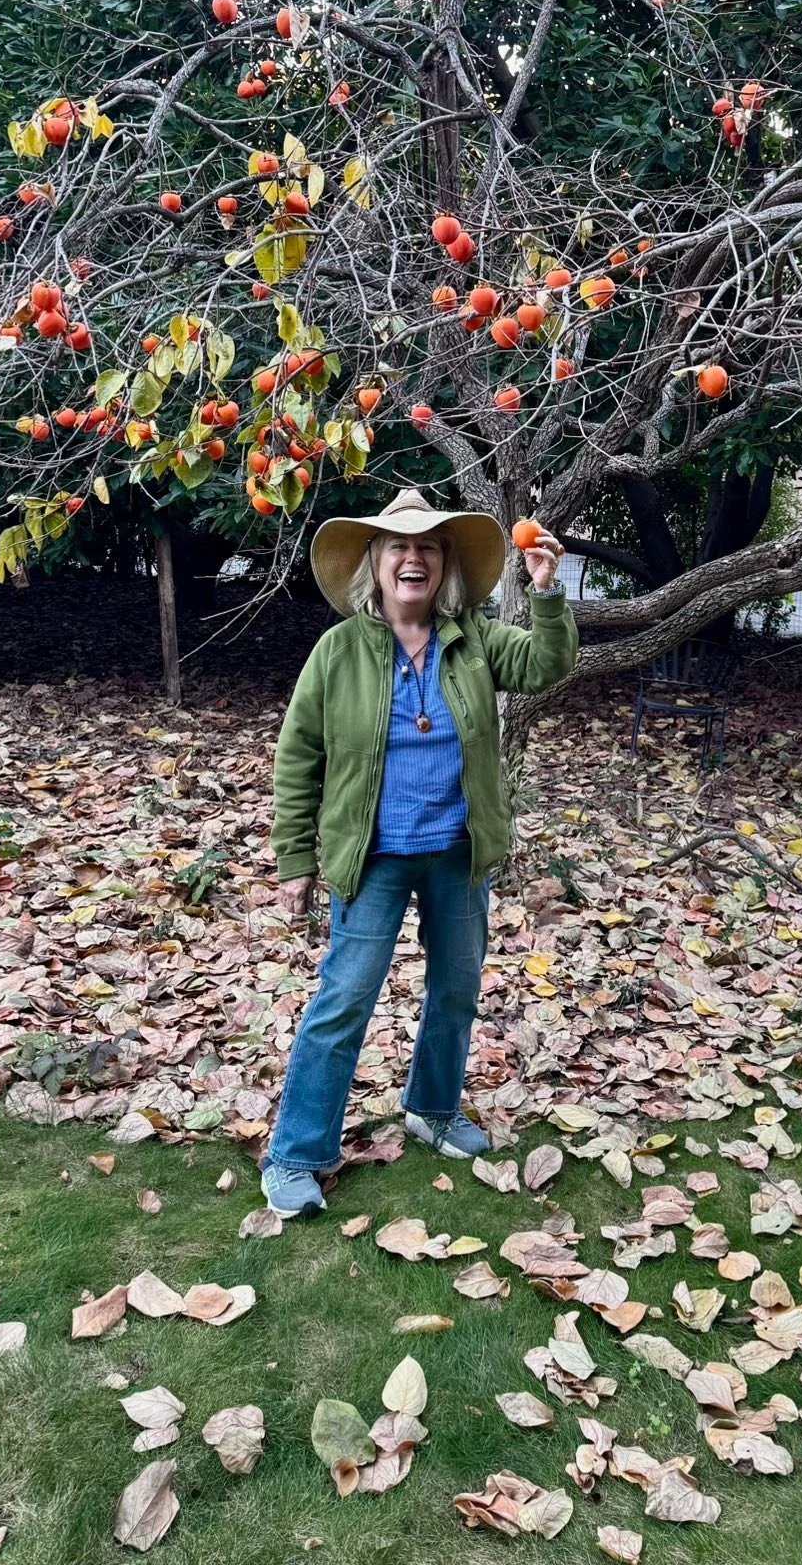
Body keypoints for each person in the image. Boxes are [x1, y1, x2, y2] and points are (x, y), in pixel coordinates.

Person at [260, 486, 577, 1218]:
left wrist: (548, 594)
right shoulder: (338, 652)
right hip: (369, 858)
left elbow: (544, 666)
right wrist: (295, 862)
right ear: (375, 565)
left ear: (443, 567)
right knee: (343, 999)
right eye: (399, 546)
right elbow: (297, 756)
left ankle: (431, 1110)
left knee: (457, 990)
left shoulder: (474, 640)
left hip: (456, 855)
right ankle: (297, 1151)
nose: (413, 557)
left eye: (428, 547)